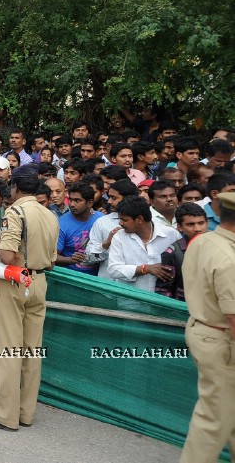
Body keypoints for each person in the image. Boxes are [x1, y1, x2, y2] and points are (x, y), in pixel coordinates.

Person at [0, 166, 58, 431]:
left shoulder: (15, 212)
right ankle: (26, 413)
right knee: (31, 352)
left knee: (6, 350)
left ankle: (5, 415)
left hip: (14, 281)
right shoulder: (49, 214)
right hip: (38, 281)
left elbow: (7, 256)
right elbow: (52, 263)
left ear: (14, 187)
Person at [179, 192, 235, 462]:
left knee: (227, 410)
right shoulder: (229, 259)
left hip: (203, 328)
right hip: (223, 339)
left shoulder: (204, 241)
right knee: (213, 418)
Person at [106, 196, 181, 292]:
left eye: (124, 220)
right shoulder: (119, 237)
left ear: (139, 219)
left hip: (163, 299)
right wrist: (145, 269)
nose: (120, 223)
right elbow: (114, 270)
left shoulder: (171, 235)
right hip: (131, 300)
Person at [156, 202, 209, 301]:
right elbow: (163, 292)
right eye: (190, 224)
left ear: (207, 223)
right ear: (180, 227)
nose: (197, 229)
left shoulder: (218, 245)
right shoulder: (172, 253)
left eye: (201, 223)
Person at [55, 182, 102, 274]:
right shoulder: (62, 224)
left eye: (77, 200)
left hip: (98, 277)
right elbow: (52, 256)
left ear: (90, 203)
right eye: (70, 199)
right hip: (72, 277)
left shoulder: (100, 219)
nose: (72, 204)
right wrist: (70, 260)